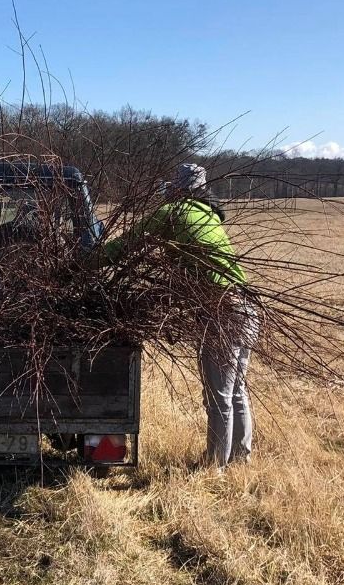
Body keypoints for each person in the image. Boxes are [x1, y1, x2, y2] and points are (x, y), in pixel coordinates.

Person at [107, 163, 258, 468]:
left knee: (219, 396)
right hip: (247, 308)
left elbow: (126, 245)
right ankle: (241, 459)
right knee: (236, 391)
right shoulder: (208, 215)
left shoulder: (173, 212)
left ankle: (215, 466)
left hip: (223, 313)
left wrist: (81, 263)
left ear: (178, 189)